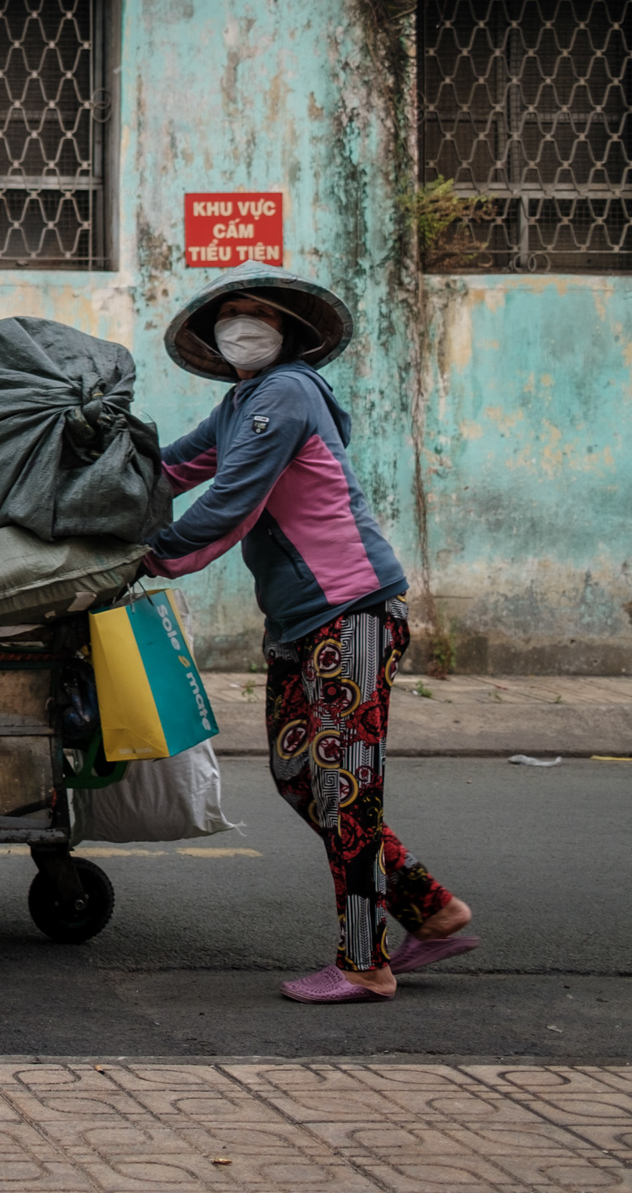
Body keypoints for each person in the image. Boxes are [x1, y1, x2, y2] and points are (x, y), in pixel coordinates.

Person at [143, 264, 478, 1004]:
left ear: (286, 329)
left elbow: (228, 503)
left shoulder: (288, 393)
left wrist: (146, 556)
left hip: (352, 610)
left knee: (345, 786)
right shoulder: (240, 404)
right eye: (228, 314)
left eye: (254, 312)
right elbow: (172, 469)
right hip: (299, 620)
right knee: (300, 777)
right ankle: (429, 905)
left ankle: (365, 961)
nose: (241, 325)